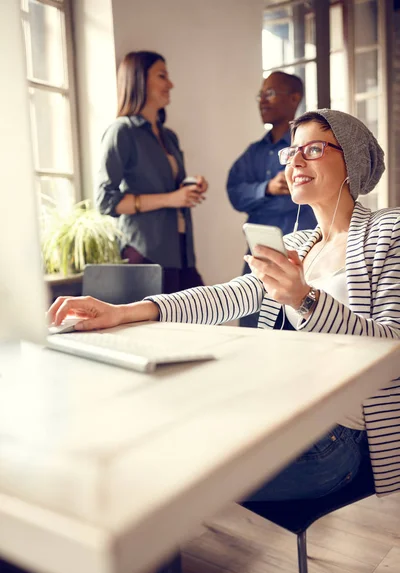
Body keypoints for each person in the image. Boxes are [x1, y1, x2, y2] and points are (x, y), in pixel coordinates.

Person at [49, 109, 400, 501]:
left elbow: (392, 346)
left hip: (341, 436)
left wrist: (305, 300)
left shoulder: (389, 231)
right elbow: (226, 295)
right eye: (292, 151)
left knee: (158, 468)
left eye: (313, 149)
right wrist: (125, 311)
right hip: (288, 413)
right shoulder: (299, 244)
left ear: (350, 158)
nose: (295, 161)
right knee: (146, 439)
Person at [96, 51, 208, 294]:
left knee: (206, 316)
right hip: (145, 253)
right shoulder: (121, 132)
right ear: (139, 80)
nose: (170, 84)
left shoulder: (169, 137)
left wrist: (192, 185)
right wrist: (171, 199)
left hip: (181, 251)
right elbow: (105, 201)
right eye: (162, 76)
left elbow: (170, 187)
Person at [227, 71, 317, 327]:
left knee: (301, 325)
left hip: (305, 253)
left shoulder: (311, 148)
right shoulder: (254, 152)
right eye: (260, 95)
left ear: (294, 98)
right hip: (261, 253)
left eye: (271, 93)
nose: (262, 101)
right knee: (253, 325)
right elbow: (234, 192)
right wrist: (265, 188)